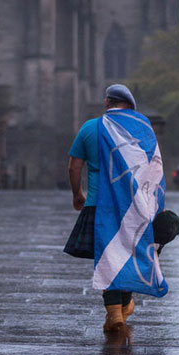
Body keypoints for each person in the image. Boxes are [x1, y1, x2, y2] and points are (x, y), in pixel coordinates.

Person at [66, 84, 160, 332]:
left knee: (107, 257)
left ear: (107, 103)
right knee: (127, 254)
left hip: (99, 206)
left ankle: (115, 313)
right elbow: (154, 170)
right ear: (130, 107)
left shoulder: (90, 128)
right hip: (133, 207)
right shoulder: (142, 130)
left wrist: (78, 194)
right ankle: (124, 304)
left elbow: (74, 168)